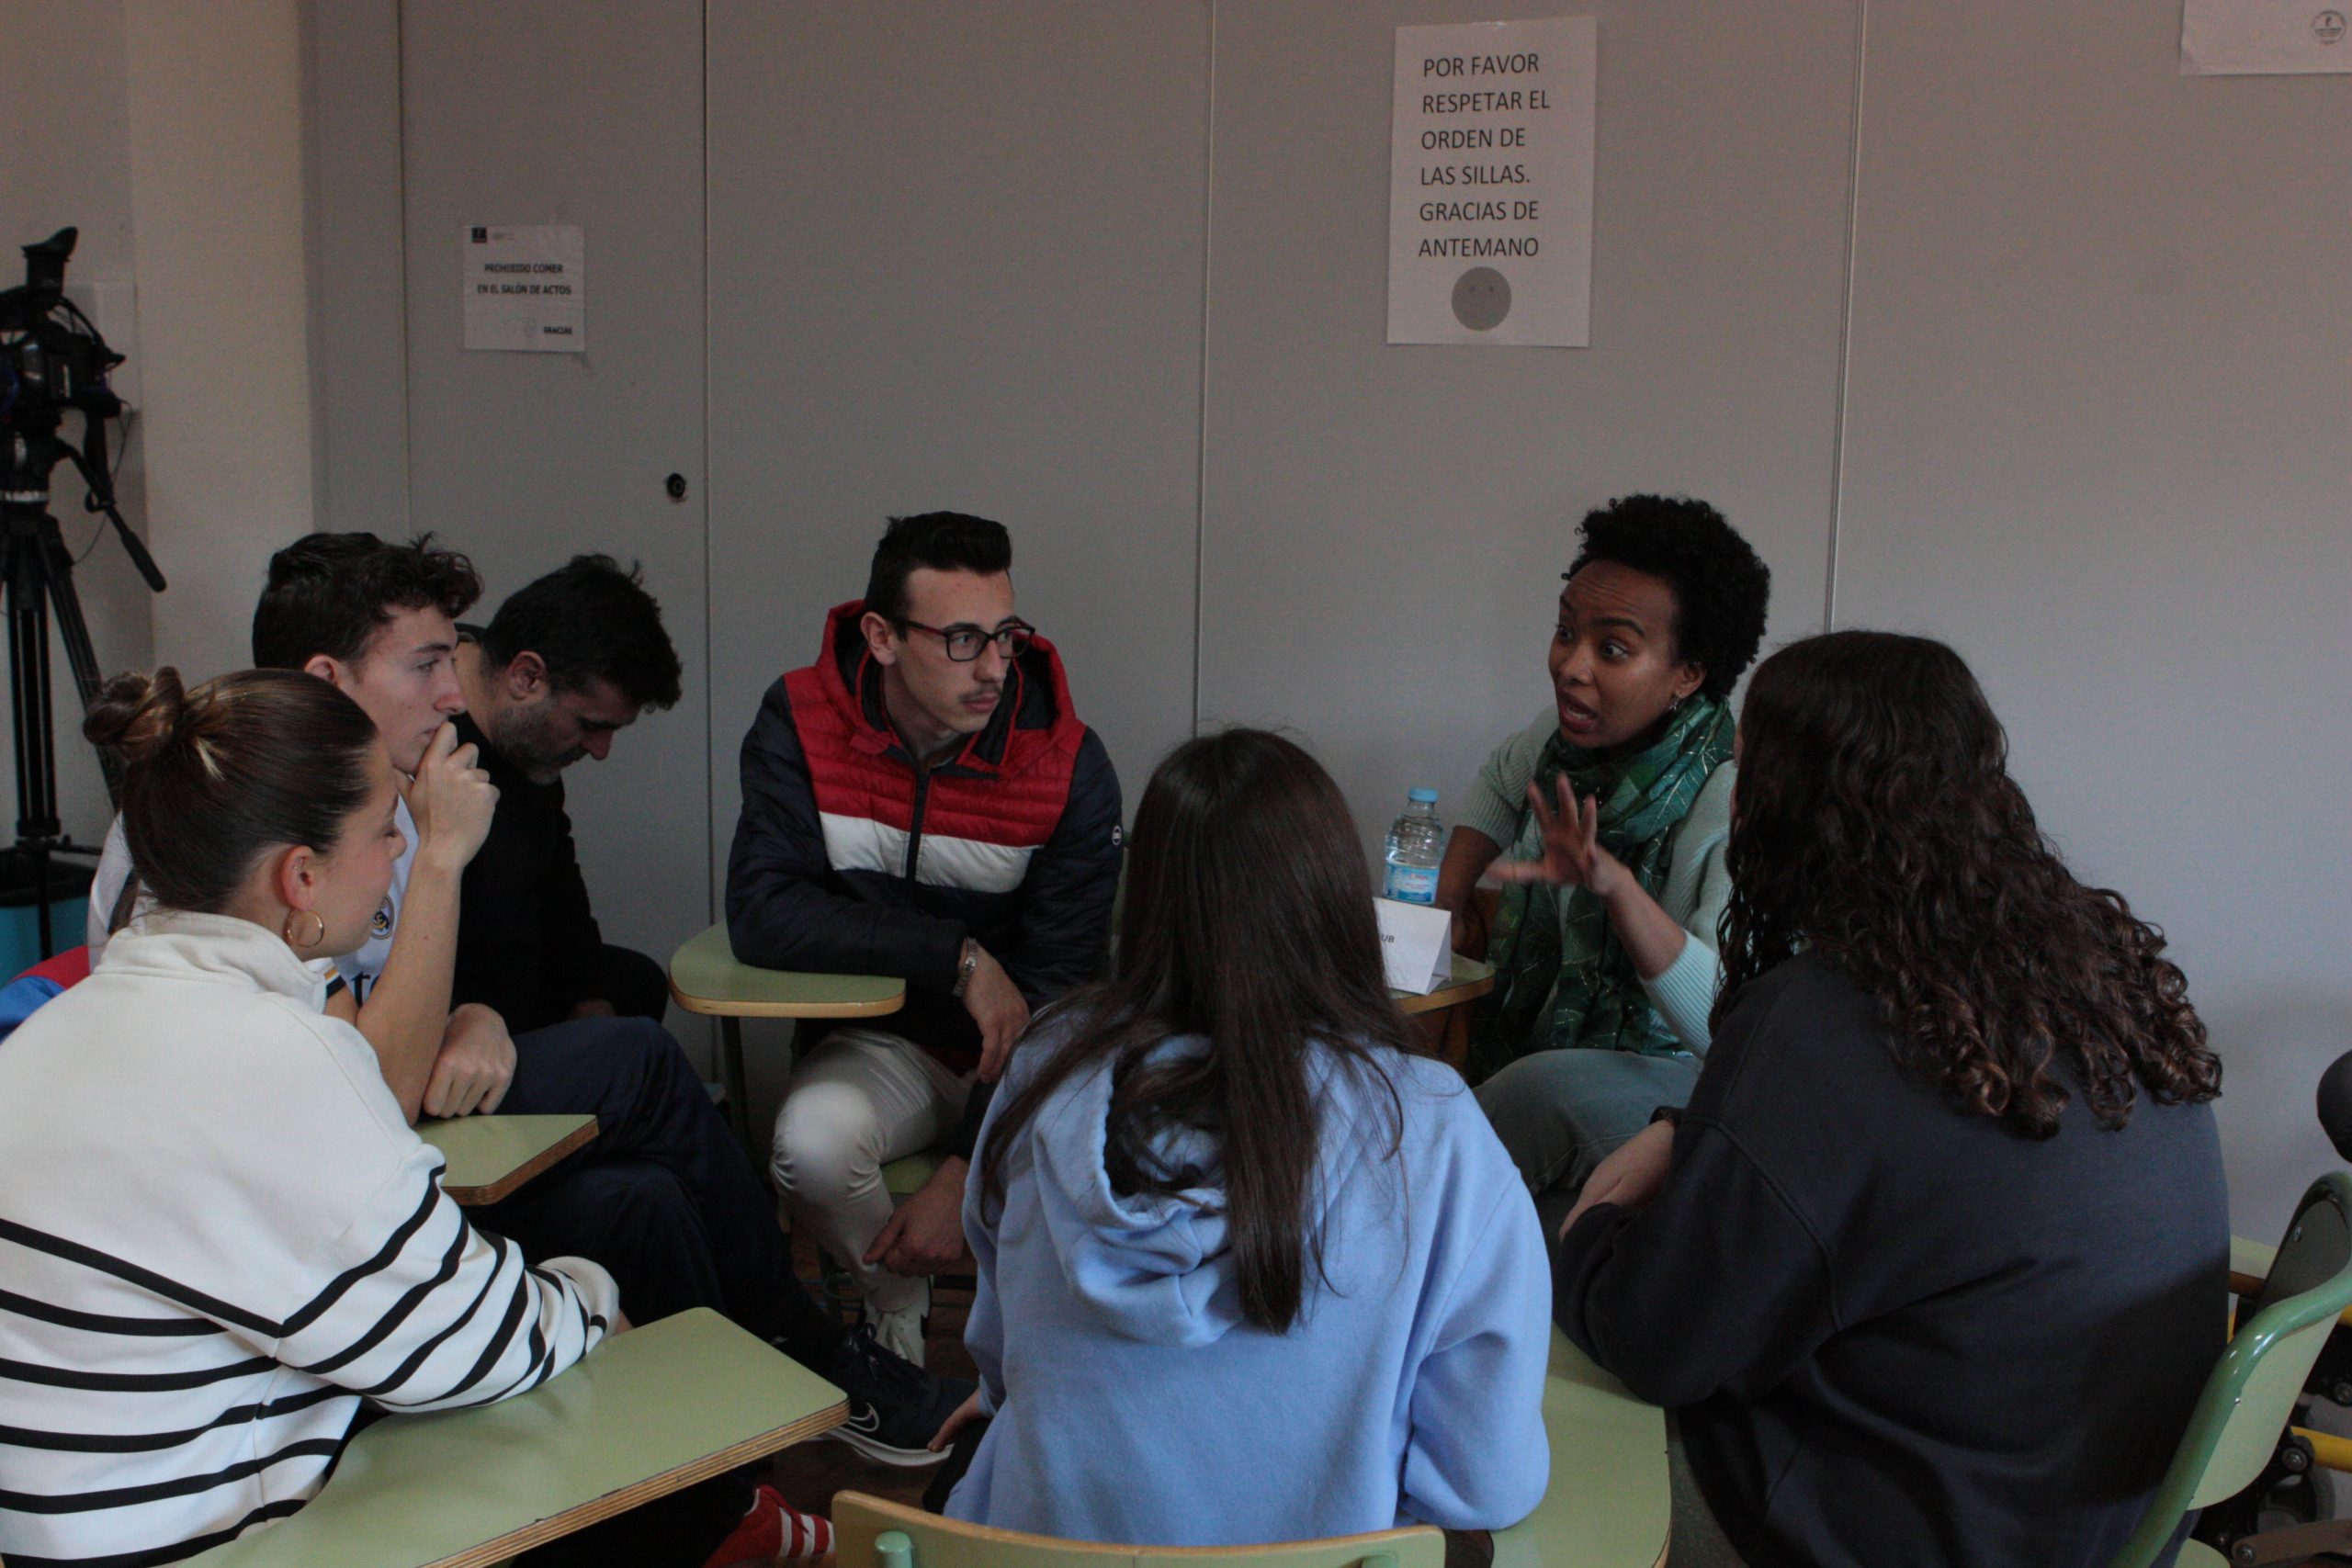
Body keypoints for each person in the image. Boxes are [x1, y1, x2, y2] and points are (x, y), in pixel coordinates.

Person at [82, 533, 967, 1470]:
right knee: (635, 1061)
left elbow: (379, 1014)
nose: (451, 693)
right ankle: (810, 1357)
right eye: (426, 665)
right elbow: (366, 1096)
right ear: (328, 680)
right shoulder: (254, 829)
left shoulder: (364, 799)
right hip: (301, 1213)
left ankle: (737, 1471)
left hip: (354, 1158)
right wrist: (441, 861)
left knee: (643, 1200)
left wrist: (475, 1014)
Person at [1554, 632, 2227, 1568]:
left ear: (1800, 806)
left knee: (1544, 1408)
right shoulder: (2095, 972)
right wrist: (1692, 1138)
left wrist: (1588, 1226)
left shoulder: (1831, 1015)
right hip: (2102, 1527)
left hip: (1906, 1531)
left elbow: (1658, 1341)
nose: (1735, 804)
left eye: (1747, 775)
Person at [0, 668, 626, 1565]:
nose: (399, 850)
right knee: (584, 1377)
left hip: (65, 1535)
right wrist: (594, 1300)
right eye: (384, 830)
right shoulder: (277, 1056)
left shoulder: (55, 1030)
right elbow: (478, 1343)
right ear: (301, 876)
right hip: (194, 1541)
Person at [933, 728, 1550, 1548]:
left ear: (1144, 895)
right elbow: (1481, 1480)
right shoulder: (1432, 1125)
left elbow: (1007, 1345)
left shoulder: (1046, 1065)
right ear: (1337, 900)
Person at [727, 511, 1123, 1365]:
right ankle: (895, 1306)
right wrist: (957, 958)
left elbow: (1060, 987)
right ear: (881, 637)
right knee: (810, 1145)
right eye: (962, 640)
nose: (994, 668)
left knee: (1114, 1174)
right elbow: (764, 910)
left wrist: (963, 1170)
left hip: (1029, 1061)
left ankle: (1029, 1370)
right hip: (887, 1042)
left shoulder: (1066, 761)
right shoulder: (800, 715)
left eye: (1006, 635)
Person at [1444, 494, 1770, 1213]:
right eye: (1566, 631)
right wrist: (1448, 899)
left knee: (1534, 1090)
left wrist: (1613, 885)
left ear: (1688, 674)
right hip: (1572, 1052)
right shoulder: (1558, 741)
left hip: (1694, 1083)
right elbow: (1499, 784)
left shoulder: (1730, 793)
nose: (1570, 666)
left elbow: (1722, 1024)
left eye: (1612, 649)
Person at [451, 553, 684, 1032]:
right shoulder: (421, 736)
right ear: (526, 678)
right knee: (640, 1050)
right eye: (589, 725)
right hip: (459, 1015)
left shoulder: (523, 740)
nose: (600, 751)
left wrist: (588, 997)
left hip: (514, 984)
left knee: (634, 984)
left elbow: (557, 882)